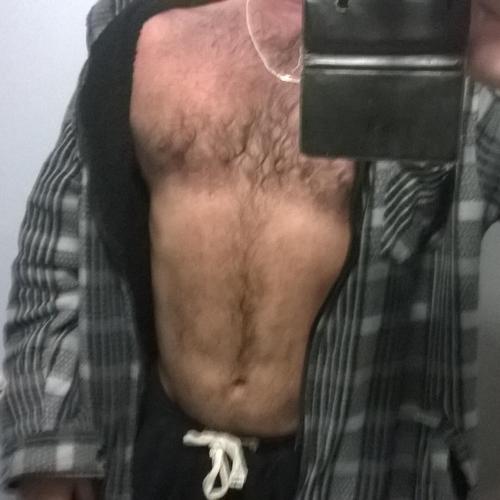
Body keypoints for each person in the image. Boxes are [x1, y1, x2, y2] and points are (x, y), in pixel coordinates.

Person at [1, 0, 499, 499]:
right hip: (151, 454)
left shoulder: (443, 49)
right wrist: (49, 438)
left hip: (355, 466)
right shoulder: (137, 33)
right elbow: (58, 245)